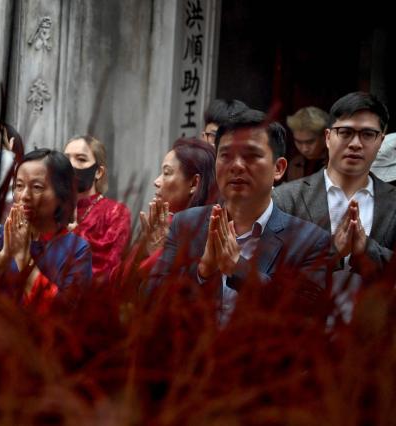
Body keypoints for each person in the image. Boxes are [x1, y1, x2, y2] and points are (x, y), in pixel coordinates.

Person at [151, 109, 331, 324]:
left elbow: (306, 313)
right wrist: (202, 272)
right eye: (226, 155)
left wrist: (239, 269)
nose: (236, 165)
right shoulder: (186, 224)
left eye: (251, 156)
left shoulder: (310, 241)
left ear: (279, 168)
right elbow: (152, 299)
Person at [273, 92, 396, 320]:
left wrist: (366, 250)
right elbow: (269, 277)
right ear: (328, 137)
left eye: (368, 134)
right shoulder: (286, 199)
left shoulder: (393, 203)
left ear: (381, 140)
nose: (356, 144)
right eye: (346, 132)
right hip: (302, 340)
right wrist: (331, 253)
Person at [0, 149, 92, 302]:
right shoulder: (1, 235)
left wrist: (23, 259)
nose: (24, 196)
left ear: (61, 194)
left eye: (37, 187)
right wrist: (4, 255)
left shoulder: (77, 250)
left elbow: (65, 314)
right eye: (19, 185)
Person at [116, 137, 218, 282]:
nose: (156, 182)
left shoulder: (209, 230)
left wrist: (157, 255)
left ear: (194, 183)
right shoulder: (159, 227)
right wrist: (143, 251)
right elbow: (117, 284)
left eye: (167, 173)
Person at [63, 135, 131, 282]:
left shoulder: (116, 212)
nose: (70, 165)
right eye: (66, 159)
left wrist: (74, 236)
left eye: (81, 159)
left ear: (98, 172)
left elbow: (109, 267)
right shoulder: (53, 208)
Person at [285, 106, 329, 181]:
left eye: (310, 142)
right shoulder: (296, 163)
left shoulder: (338, 163)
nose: (304, 149)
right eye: (298, 142)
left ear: (325, 136)